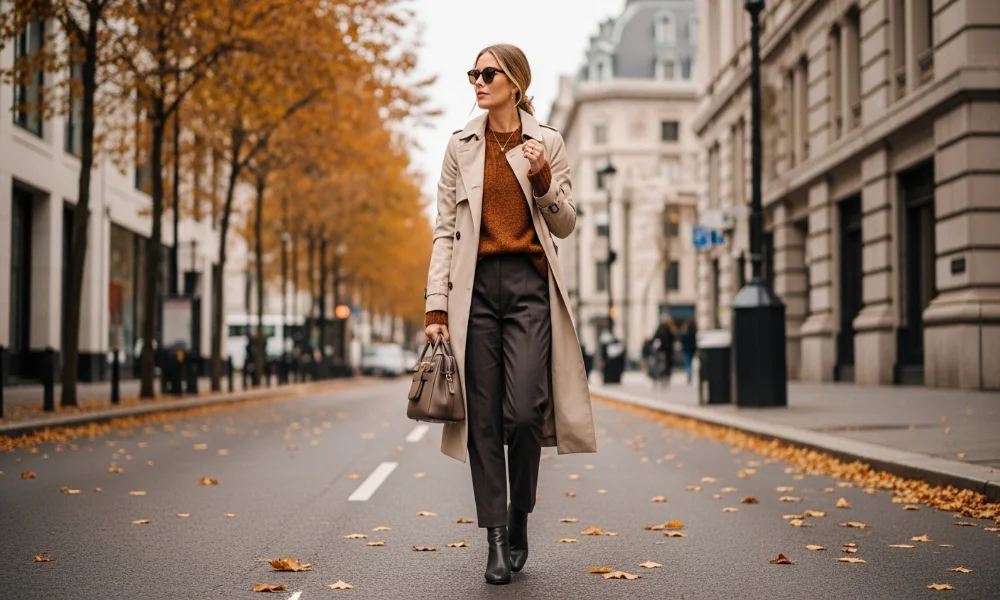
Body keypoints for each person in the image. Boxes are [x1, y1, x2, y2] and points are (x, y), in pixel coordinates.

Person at [423, 44, 597, 585]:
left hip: (529, 288)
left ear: (515, 83)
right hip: (474, 293)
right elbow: (446, 231)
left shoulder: (547, 142)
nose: (477, 81)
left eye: (487, 73)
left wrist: (543, 180)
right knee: (483, 420)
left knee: (525, 413)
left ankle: (520, 514)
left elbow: (566, 224)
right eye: (473, 73)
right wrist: (435, 304)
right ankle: (495, 537)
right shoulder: (461, 146)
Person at [679, 320, 698, 384]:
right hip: (691, 350)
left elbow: (681, 340)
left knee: (687, 363)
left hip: (686, 350)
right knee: (690, 363)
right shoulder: (693, 333)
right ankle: (689, 376)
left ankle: (689, 376)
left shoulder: (685, 333)